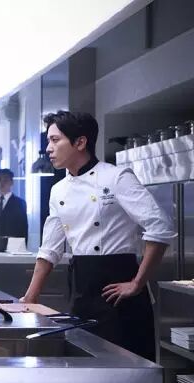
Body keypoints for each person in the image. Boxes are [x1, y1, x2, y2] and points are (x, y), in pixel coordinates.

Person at [21, 110, 175, 361]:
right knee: (85, 366)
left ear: (80, 142)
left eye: (55, 140)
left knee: (128, 371)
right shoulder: (58, 190)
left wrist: (137, 283)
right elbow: (50, 249)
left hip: (118, 293)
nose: (48, 148)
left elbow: (160, 226)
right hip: (82, 291)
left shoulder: (116, 177)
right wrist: (31, 296)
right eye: (49, 141)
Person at [0, 168, 28, 251]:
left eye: (5, 180)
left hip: (13, 246)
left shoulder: (19, 203)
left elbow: (23, 228)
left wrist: (22, 249)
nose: (2, 183)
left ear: (11, 182)